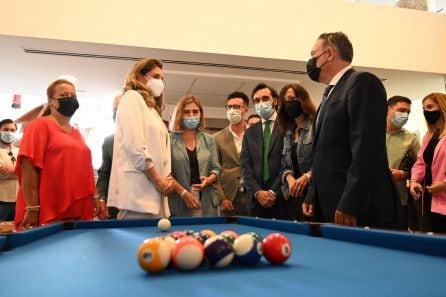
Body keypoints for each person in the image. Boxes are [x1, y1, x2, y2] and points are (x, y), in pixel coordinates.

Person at [302, 32, 400, 227]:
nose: (311, 61)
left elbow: (367, 149)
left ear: (328, 54)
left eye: (314, 55)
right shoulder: (328, 95)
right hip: (330, 201)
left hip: (358, 207)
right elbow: (323, 153)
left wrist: (350, 202)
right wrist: (313, 194)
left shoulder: (362, 82)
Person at [14, 79, 98, 229]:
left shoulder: (77, 133)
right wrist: (32, 208)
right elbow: (28, 168)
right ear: (51, 101)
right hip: (47, 209)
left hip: (75, 210)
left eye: (73, 95)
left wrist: (95, 196)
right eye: (64, 95)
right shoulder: (39, 125)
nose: (70, 98)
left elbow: (84, 169)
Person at [107, 58, 174, 220]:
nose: (160, 82)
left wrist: (168, 179)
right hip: (137, 195)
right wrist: (158, 181)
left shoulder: (152, 110)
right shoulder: (131, 97)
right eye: (156, 77)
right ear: (138, 76)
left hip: (158, 195)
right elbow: (136, 147)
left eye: (162, 79)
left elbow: (163, 153)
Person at [169, 95, 221, 217]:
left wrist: (209, 180)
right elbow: (167, 173)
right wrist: (183, 193)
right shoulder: (169, 140)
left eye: (195, 111)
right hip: (180, 200)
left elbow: (216, 169)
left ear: (200, 114)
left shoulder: (209, 139)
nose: (191, 115)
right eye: (186, 112)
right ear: (179, 115)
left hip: (207, 200)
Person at [240, 83, 285, 219]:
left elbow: (288, 163)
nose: (261, 103)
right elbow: (245, 165)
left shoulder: (287, 125)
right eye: (257, 101)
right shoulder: (250, 132)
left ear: (275, 101)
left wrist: (272, 191)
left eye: (265, 98)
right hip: (256, 201)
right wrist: (257, 192)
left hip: (281, 198)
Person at [278, 84, 316, 221]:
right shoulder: (288, 133)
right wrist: (290, 178)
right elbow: (284, 165)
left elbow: (325, 160)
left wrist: (307, 176)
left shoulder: (315, 126)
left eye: (292, 99)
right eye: (285, 101)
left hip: (313, 194)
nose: (289, 104)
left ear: (302, 100)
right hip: (292, 196)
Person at [410, 92, 446, 233]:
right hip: (430, 199)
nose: (426, 111)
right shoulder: (429, 136)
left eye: (430, 107)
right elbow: (421, 162)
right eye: (424, 108)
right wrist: (414, 181)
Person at [386, 96, 420, 229]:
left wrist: (404, 174)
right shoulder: (370, 133)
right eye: (401, 110)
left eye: (408, 112)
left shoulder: (411, 139)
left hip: (399, 200)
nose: (405, 115)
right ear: (387, 110)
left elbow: (421, 167)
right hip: (370, 198)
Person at [214, 91, 250, 216]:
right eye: (229, 107)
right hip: (229, 196)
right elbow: (214, 170)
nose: (232, 110)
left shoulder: (255, 135)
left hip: (252, 194)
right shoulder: (217, 138)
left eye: (236, 107)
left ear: (245, 110)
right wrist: (221, 198)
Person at [94, 95, 123, 220]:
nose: (116, 113)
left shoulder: (148, 137)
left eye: (120, 108)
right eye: (114, 109)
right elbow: (104, 174)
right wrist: (101, 198)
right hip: (114, 205)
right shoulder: (109, 141)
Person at [0, 119, 19, 221]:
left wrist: (10, 171)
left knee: (15, 231)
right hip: (2, 201)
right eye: (6, 129)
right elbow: (2, 174)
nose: (9, 133)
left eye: (12, 130)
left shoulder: (19, 151)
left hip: (18, 200)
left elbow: (27, 173)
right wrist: (19, 172)